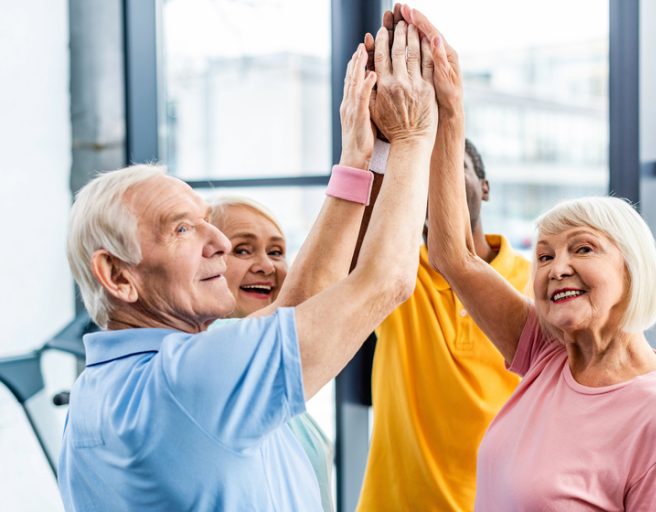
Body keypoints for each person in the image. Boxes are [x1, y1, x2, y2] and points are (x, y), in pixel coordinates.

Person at [58, 24, 438, 511]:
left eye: (205, 222)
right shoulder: (185, 382)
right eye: (181, 229)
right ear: (118, 276)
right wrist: (412, 136)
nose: (216, 240)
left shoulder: (107, 388)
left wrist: (360, 158)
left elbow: (300, 306)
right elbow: (384, 280)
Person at [403, 5, 656, 509]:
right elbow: (451, 255)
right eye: (544, 255)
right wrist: (449, 110)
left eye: (582, 248)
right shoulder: (549, 354)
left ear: (632, 268)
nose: (556, 267)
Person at [357, 134, 530, 509]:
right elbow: (363, 225)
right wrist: (387, 141)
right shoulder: (397, 274)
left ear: (484, 188)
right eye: (425, 169)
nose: (437, 179)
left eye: (451, 166)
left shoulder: (535, 283)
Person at [208, 196, 334, 512]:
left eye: (276, 252)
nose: (266, 266)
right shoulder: (212, 353)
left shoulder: (280, 381)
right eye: (242, 250)